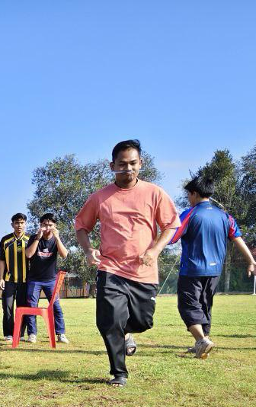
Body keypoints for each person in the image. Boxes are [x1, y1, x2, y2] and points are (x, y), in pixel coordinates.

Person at [75, 139, 180, 386]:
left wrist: (155, 250)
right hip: (110, 268)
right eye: (122, 164)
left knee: (144, 321)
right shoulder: (100, 197)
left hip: (143, 271)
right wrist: (89, 250)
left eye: (133, 163)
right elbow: (81, 226)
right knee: (109, 321)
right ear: (112, 166)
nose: (128, 169)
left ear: (141, 164)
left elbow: (171, 225)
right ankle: (119, 373)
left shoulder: (154, 193)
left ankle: (127, 331)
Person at [146, 176, 256, 358]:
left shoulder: (190, 213)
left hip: (192, 270)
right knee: (205, 306)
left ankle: (201, 340)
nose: (188, 199)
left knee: (188, 307)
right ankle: (202, 342)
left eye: (188, 195)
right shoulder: (225, 216)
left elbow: (171, 237)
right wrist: (251, 260)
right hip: (215, 271)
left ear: (194, 193)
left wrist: (151, 246)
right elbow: (237, 238)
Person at [24, 213, 69, 344]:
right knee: (32, 306)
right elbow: (28, 254)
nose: (47, 227)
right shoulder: (34, 238)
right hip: (34, 280)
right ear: (40, 225)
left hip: (51, 280)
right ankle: (32, 334)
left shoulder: (56, 239)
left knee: (56, 306)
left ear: (55, 226)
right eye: (44, 224)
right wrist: (38, 238)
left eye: (50, 225)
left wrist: (58, 237)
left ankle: (60, 334)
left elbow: (64, 254)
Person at [0, 213, 31, 342]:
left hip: (25, 280)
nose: (19, 225)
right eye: (17, 223)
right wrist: (0, 278)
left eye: (22, 223)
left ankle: (20, 334)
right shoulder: (5, 240)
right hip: (9, 279)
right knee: (7, 307)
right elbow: (1, 260)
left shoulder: (30, 239)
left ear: (25, 224)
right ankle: (8, 334)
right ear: (12, 224)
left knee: (22, 307)